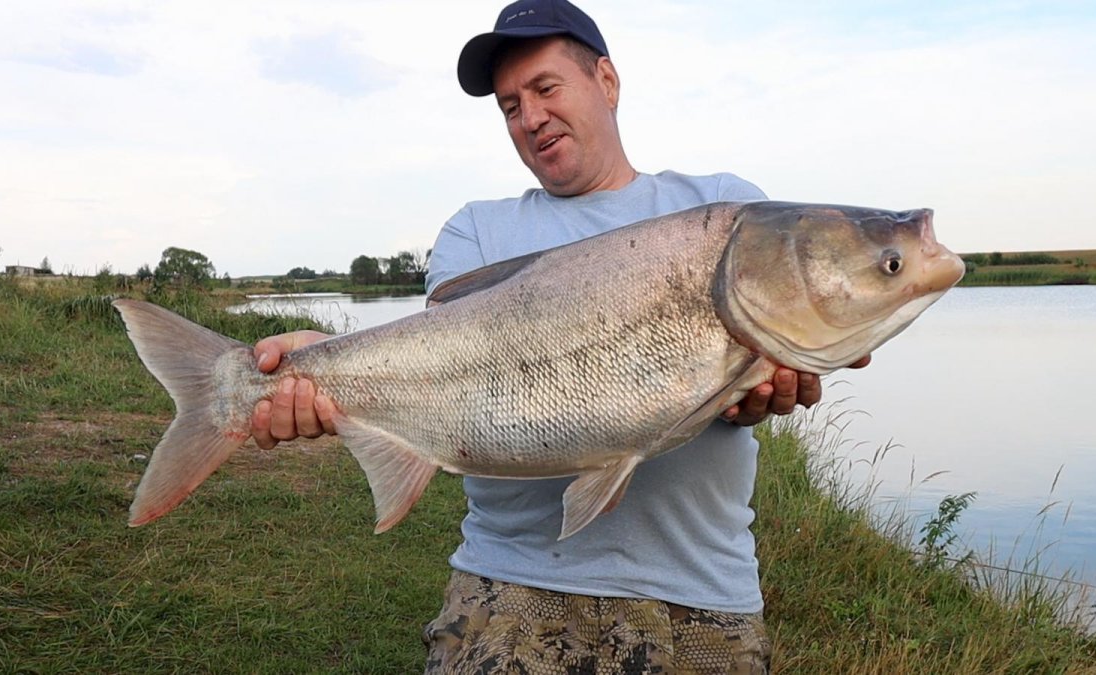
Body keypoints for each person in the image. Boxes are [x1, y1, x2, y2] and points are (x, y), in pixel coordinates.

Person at [250, 1, 868, 672]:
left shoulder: (723, 210)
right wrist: (321, 369)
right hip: (509, 586)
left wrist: (761, 389)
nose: (530, 116)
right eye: (511, 106)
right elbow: (435, 367)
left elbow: (770, 362)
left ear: (606, 80)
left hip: (699, 596)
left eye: (545, 88)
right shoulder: (477, 230)